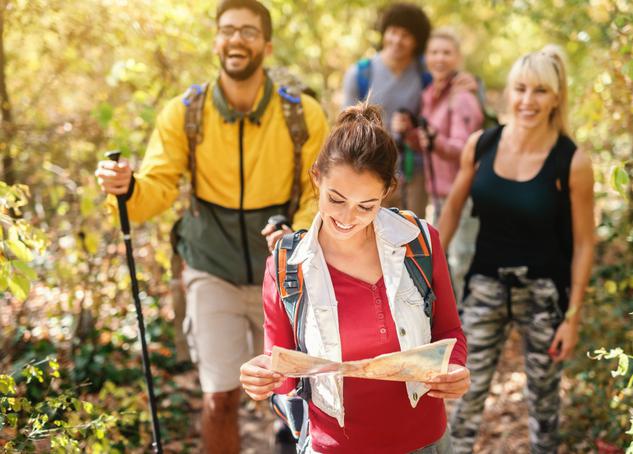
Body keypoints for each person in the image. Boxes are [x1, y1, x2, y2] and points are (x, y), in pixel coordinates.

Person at [95, 1, 328, 452]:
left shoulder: (302, 114)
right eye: (227, 30)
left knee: (294, 394)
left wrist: (295, 237)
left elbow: (317, 191)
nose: (236, 39)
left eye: (247, 31)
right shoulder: (185, 113)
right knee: (219, 395)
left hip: (285, 271)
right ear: (216, 41)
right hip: (210, 266)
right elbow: (156, 190)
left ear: (266, 44)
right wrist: (126, 189)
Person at [240, 103, 470, 453]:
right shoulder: (288, 264)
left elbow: (449, 332)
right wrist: (262, 377)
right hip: (334, 446)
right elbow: (285, 375)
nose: (348, 217)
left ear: (387, 191)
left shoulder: (419, 241)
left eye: (366, 206)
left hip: (425, 441)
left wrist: (454, 370)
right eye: (335, 199)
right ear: (317, 176)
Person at [437, 45, 595, 453]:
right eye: (520, 89)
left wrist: (572, 317)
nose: (528, 101)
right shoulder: (482, 145)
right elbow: (452, 210)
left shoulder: (571, 161)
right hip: (485, 288)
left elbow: (584, 243)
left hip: (544, 294)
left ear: (557, 96)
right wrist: (429, 274)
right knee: (463, 395)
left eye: (540, 91)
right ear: (508, 92)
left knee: (543, 407)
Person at [392, 28, 484, 300]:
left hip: (464, 194)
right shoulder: (430, 94)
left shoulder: (462, 97)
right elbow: (425, 144)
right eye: (434, 52)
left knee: (461, 264)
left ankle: (470, 328)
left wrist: (435, 139)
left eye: (446, 52)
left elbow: (465, 148)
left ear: (457, 58)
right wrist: (409, 132)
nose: (439, 58)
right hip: (441, 194)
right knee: (445, 263)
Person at [342, 3, 432, 218]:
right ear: (384, 32)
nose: (397, 40)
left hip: (413, 173)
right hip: (370, 170)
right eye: (393, 32)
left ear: (417, 41)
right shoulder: (361, 74)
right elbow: (345, 128)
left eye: (406, 35)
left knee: (412, 238)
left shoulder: (425, 75)